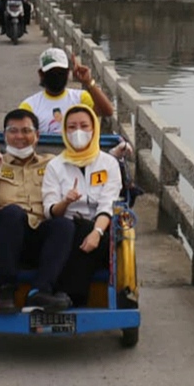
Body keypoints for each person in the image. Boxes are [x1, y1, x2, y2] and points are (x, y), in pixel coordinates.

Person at [0, 109, 74, 313]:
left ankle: (40, 292)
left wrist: (115, 156)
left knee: (65, 225)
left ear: (37, 136)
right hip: (5, 238)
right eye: (13, 131)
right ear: (4, 135)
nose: (19, 137)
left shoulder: (53, 163)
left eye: (26, 131)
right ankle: (6, 289)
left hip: (42, 238)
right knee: (12, 213)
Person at [42, 104, 123, 307]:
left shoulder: (109, 163)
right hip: (66, 230)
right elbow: (50, 210)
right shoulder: (55, 166)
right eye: (72, 127)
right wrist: (66, 201)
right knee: (72, 229)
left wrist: (97, 232)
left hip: (101, 228)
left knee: (96, 232)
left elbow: (108, 203)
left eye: (84, 126)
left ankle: (67, 295)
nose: (78, 132)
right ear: (64, 131)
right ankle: (73, 297)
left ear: (94, 129)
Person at [19, 47, 114, 135]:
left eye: (61, 72)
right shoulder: (29, 106)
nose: (56, 76)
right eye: (51, 73)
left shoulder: (81, 98)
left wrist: (88, 82)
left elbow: (107, 111)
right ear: (41, 74)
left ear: (68, 72)